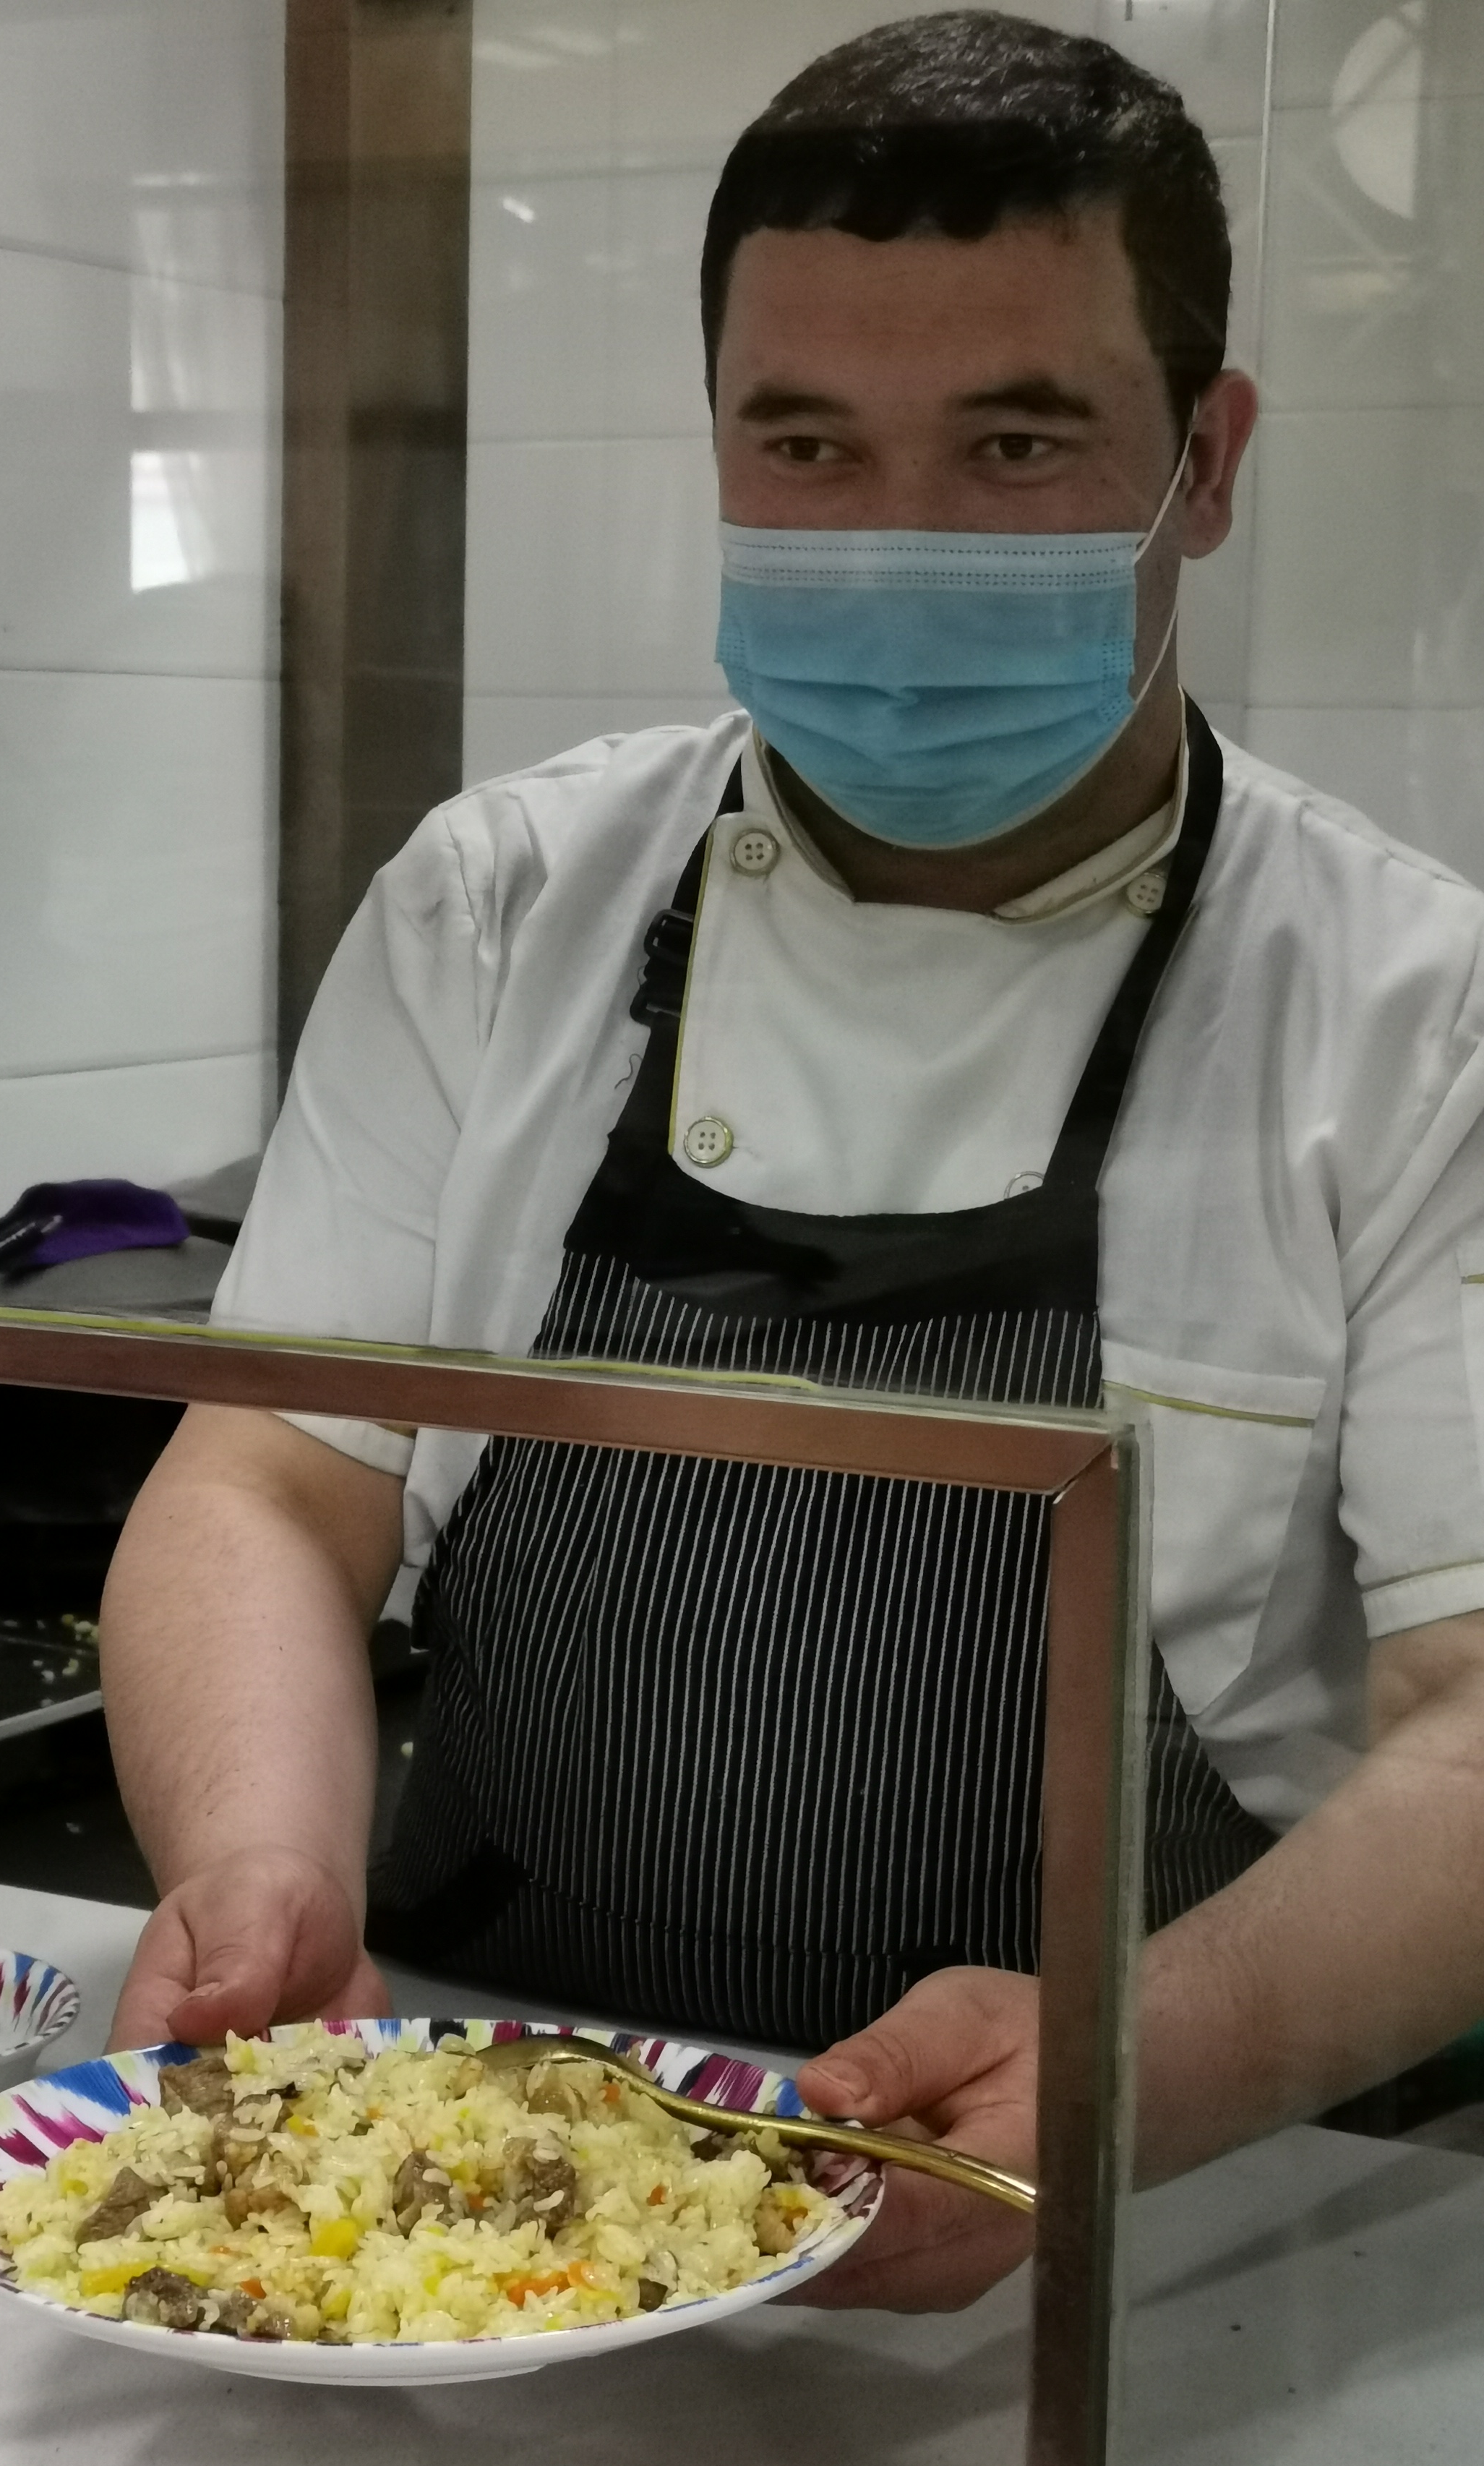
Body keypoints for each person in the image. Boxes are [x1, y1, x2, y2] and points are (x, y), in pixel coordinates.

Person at [98, 12, 1484, 2313]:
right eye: (807, 442)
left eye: (1017, 442)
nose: (893, 539)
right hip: (480, 2183)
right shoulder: (505, 904)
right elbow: (272, 1476)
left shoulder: (1416, 1009)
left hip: (1168, 2226)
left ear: (1207, 460)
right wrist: (261, 1867)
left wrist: (1136, 2068)